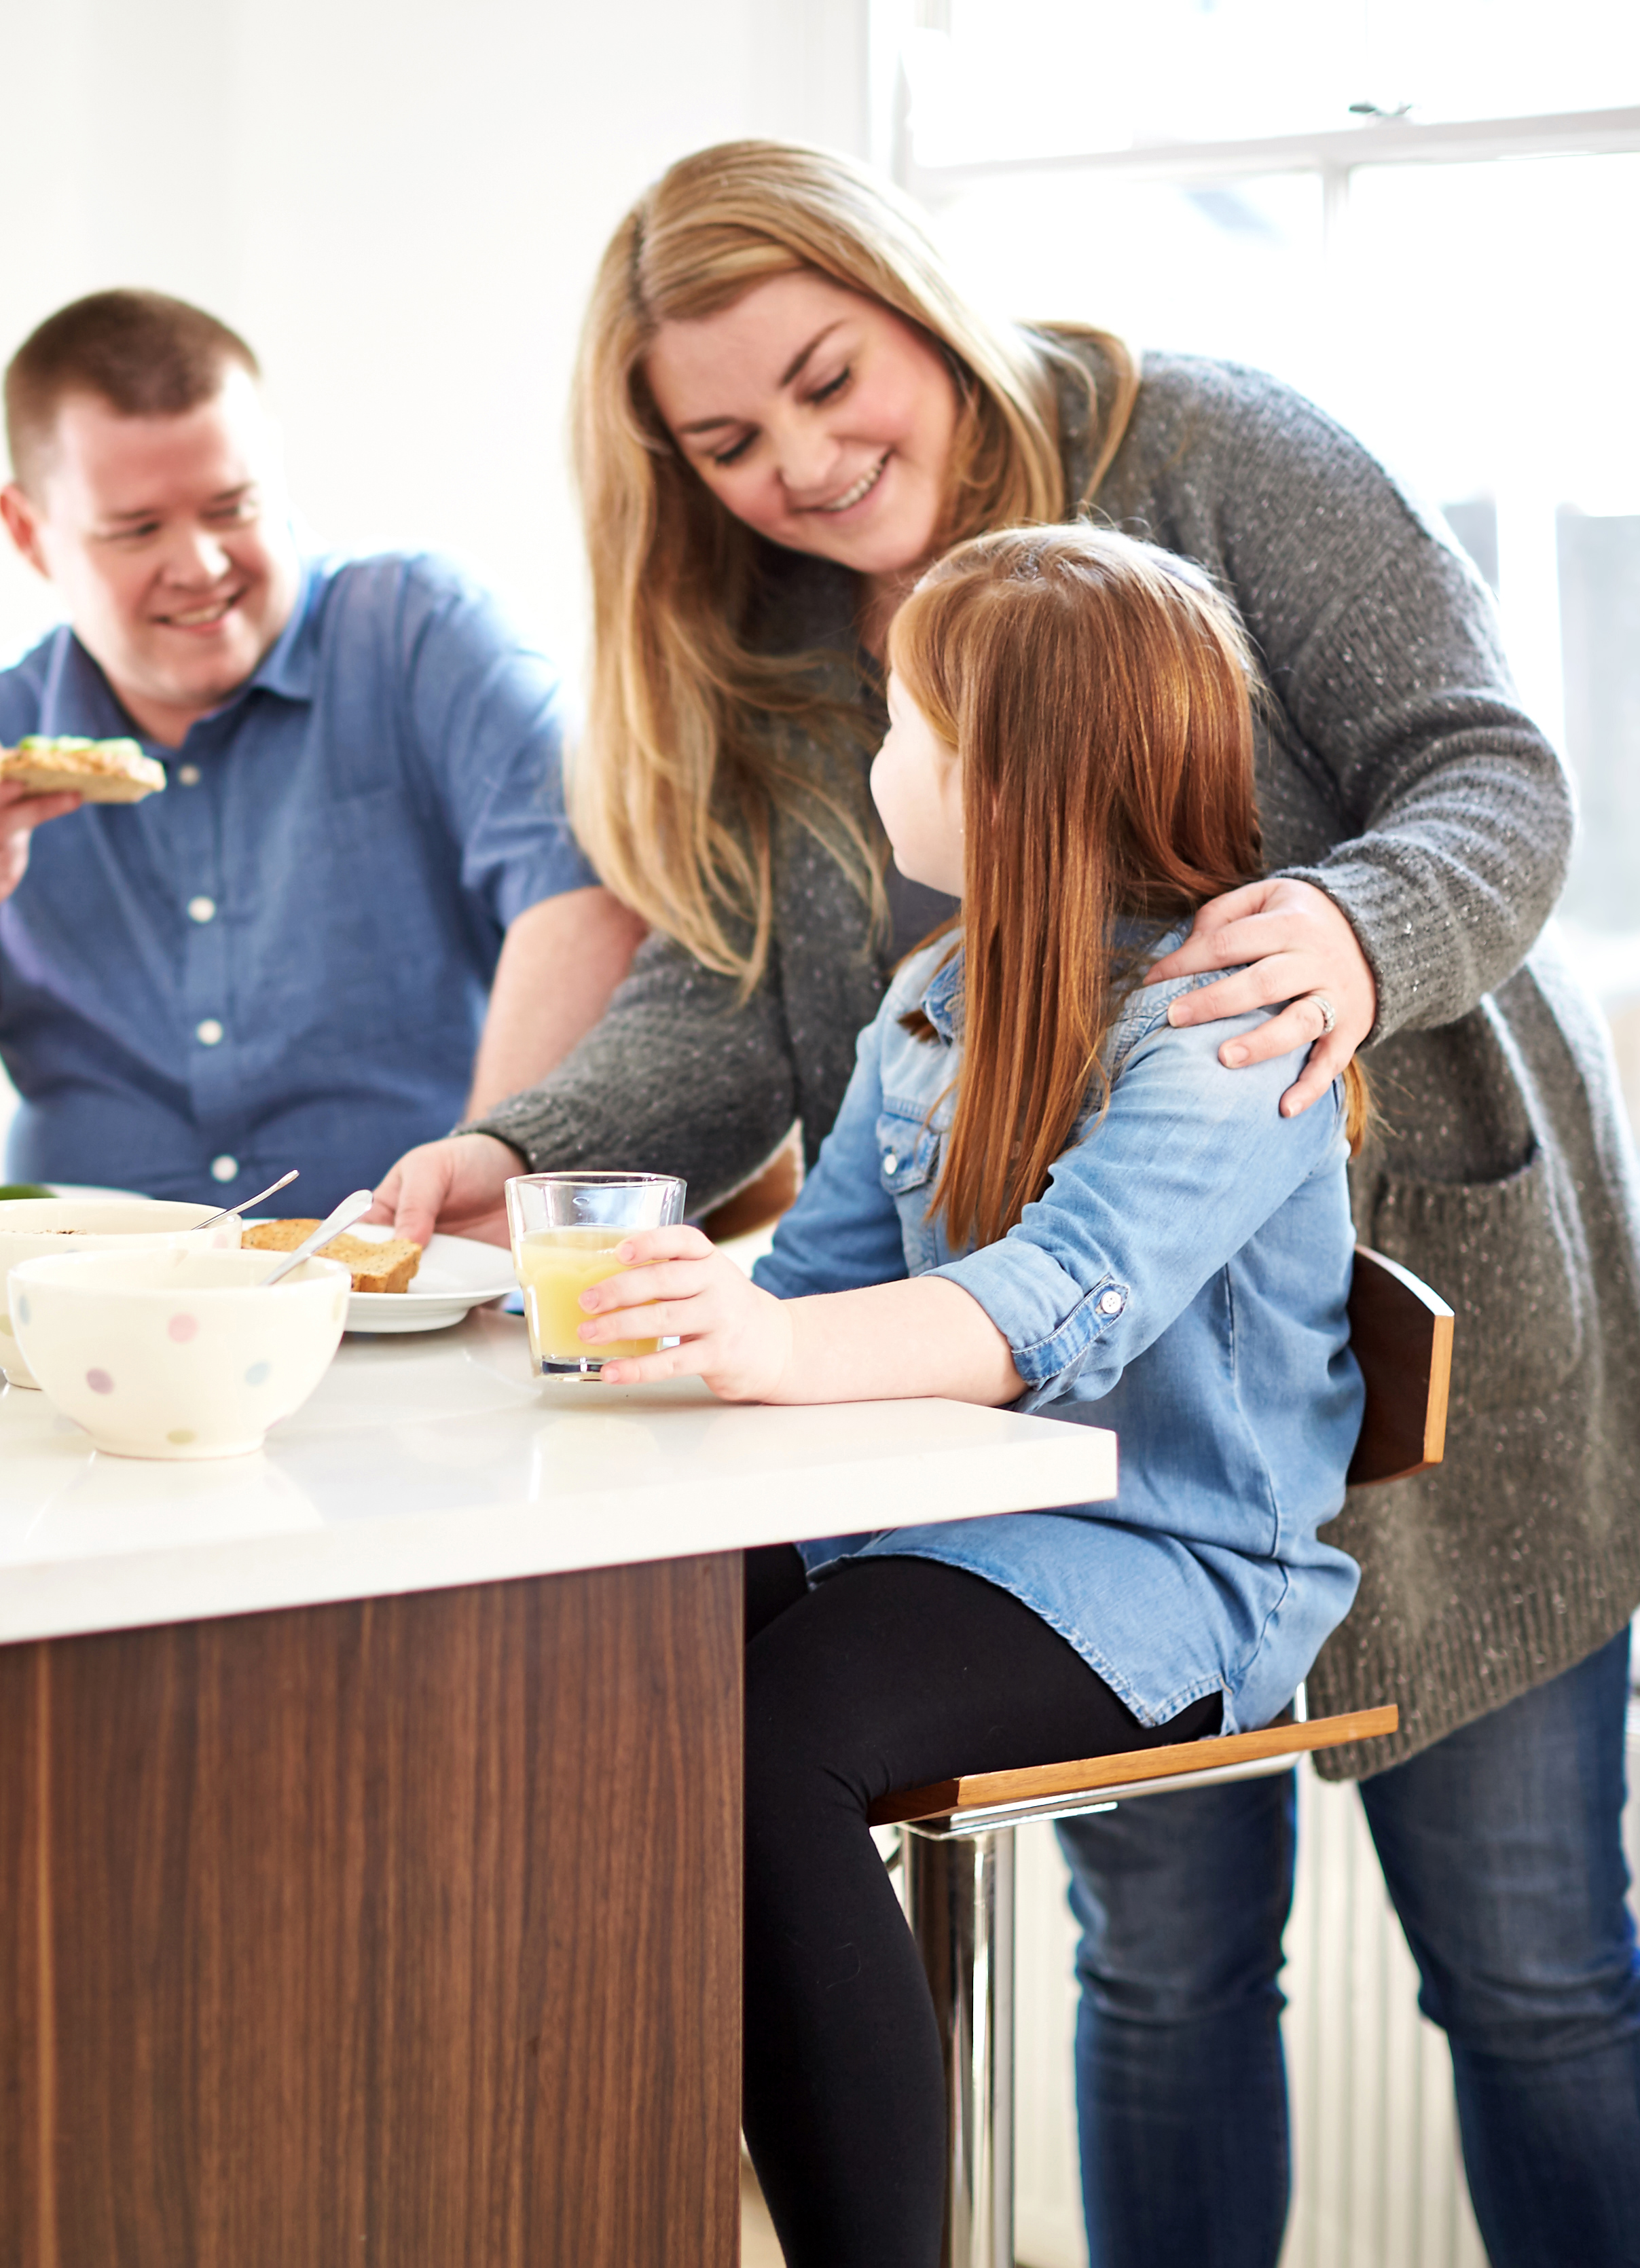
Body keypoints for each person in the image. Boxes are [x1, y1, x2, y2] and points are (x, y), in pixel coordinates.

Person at [377, 143, 1640, 2265]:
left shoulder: (1213, 453)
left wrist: (1352, 930)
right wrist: (520, 1150)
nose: (799, 461)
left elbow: (1494, 772)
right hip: (1051, 1444)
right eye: (724, 439)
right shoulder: (790, 666)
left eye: (827, 378)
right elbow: (731, 997)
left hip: (1399, 1311)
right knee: (1163, 1966)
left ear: (913, 296)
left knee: (1527, 1963)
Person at [581, 523, 1365, 2266]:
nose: (880, 758)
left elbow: (1050, 1301)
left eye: (907, 725)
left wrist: (774, 1350)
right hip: (942, 1522)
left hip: (1166, 1561)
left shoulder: (1227, 1030)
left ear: (1008, 781)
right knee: (606, 1641)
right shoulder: (932, 1001)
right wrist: (670, 1335)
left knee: (776, 1738)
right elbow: (815, 1294)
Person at [0, 289, 643, 1207]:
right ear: (30, 533)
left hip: (406, 1301)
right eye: (138, 530)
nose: (200, 565)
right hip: (85, 1322)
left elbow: (584, 899)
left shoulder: (421, 639)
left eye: (231, 507)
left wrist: (479, 1207)